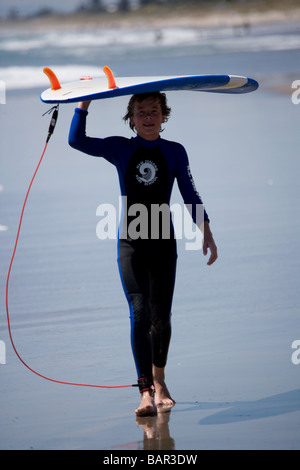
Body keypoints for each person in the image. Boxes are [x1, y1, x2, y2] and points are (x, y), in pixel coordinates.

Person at [68, 90, 218, 416]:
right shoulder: (121, 148)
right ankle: (146, 392)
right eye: (141, 112)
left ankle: (161, 381)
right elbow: (76, 141)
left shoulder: (175, 152)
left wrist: (206, 231)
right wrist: (83, 104)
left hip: (163, 242)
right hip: (130, 243)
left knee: (161, 319)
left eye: (154, 111)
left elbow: (190, 194)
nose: (148, 116)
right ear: (131, 117)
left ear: (164, 116)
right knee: (140, 315)